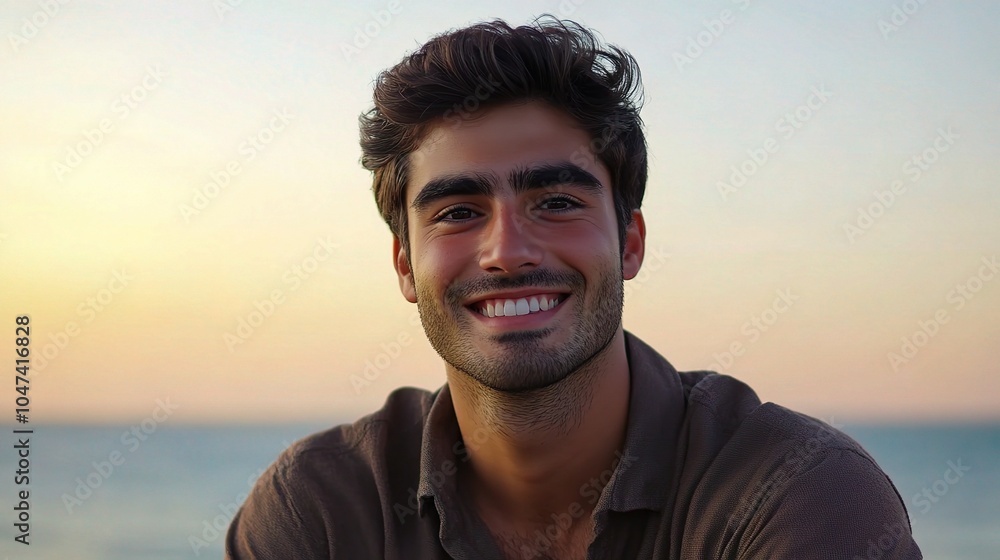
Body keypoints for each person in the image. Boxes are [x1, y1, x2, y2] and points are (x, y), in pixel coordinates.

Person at [226, 17, 922, 559]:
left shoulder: (794, 494)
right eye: (459, 212)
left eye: (556, 202)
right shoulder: (319, 510)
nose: (507, 253)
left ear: (630, 243)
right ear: (406, 266)